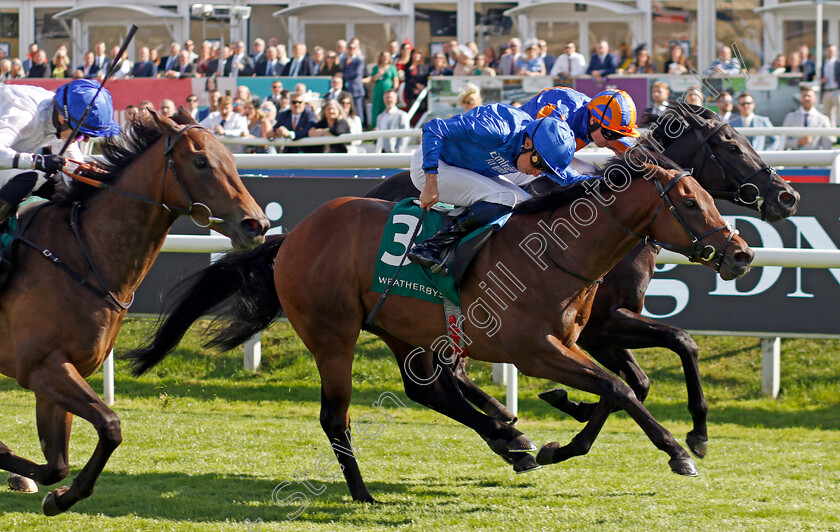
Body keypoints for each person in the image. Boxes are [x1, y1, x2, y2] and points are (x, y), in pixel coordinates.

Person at [406, 104, 578, 274]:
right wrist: (430, 181)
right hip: (433, 164)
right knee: (505, 198)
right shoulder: (496, 129)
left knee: (525, 204)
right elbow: (433, 128)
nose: (535, 174)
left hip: (463, 167)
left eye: (544, 169)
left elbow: (572, 179)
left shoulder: (534, 145)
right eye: (538, 163)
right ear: (527, 143)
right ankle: (431, 246)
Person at [0, 79, 121, 232]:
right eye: (81, 135)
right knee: (28, 178)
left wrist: (85, 176)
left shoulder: (59, 115)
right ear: (63, 119)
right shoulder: (23, 115)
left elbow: (70, 158)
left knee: (50, 183)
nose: (84, 140)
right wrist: (38, 161)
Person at [519, 87, 641, 156]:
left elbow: (626, 148)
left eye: (620, 135)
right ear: (593, 121)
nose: (614, 142)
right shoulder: (559, 118)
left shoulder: (595, 114)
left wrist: (639, 154)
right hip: (516, 154)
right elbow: (545, 161)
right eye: (611, 134)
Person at [365, 51, 399, 127]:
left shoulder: (392, 67)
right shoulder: (376, 68)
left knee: (388, 106)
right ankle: (376, 127)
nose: (385, 58)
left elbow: (395, 79)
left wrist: (395, 91)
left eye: (387, 56)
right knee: (377, 107)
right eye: (384, 56)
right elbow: (372, 80)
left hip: (388, 90)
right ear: (380, 57)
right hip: (378, 91)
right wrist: (378, 74)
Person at [374, 89, 410, 153]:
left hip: (395, 152)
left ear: (396, 99)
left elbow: (405, 136)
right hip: (381, 152)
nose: (389, 100)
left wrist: (399, 151)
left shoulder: (402, 115)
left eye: (391, 97)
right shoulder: (380, 117)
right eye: (387, 97)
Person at [341, 40, 366, 127]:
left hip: (356, 89)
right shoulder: (344, 60)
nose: (351, 49)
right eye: (349, 48)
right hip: (347, 89)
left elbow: (357, 73)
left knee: (358, 111)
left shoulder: (359, 60)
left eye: (353, 48)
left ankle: (360, 128)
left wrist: (343, 75)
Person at [822, 45, 840, 126]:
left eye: (832, 51)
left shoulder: (837, 63)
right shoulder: (823, 63)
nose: (830, 53)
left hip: (836, 90)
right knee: (828, 114)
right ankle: (831, 135)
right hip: (826, 91)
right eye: (829, 51)